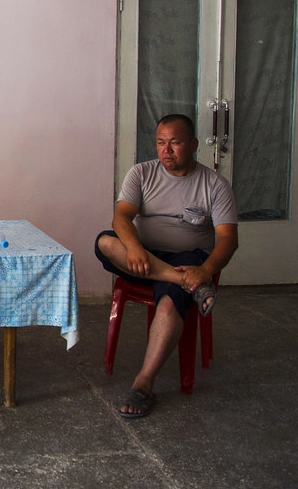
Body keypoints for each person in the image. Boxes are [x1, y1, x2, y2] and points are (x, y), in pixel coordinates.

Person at [95, 113, 238, 418]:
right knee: (105, 242)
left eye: (175, 143)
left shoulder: (214, 184)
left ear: (194, 145)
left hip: (189, 260)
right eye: (161, 143)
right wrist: (133, 247)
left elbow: (228, 239)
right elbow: (121, 217)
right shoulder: (141, 173)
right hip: (143, 257)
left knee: (170, 305)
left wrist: (205, 270)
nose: (166, 150)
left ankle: (143, 384)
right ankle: (186, 284)